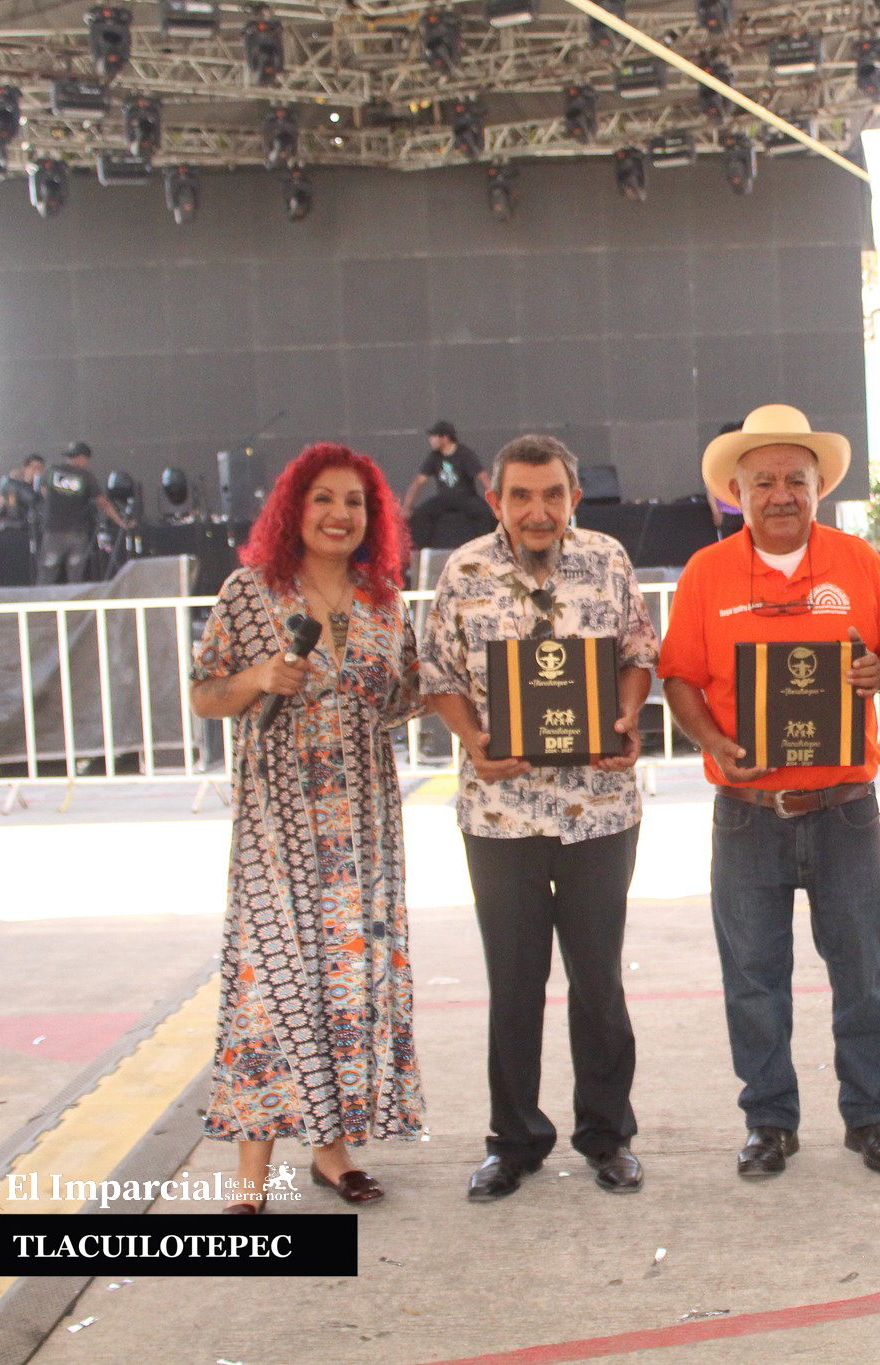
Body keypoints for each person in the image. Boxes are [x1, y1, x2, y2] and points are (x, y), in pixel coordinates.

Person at [659, 402, 880, 1179]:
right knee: (753, 980)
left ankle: (871, 1116)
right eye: (764, 481)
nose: (781, 494)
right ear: (736, 491)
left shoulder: (858, 562)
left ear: (818, 487)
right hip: (748, 814)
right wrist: (712, 742)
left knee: (862, 974)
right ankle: (769, 1122)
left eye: (795, 480)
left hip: (845, 808)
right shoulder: (706, 573)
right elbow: (679, 677)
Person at [188, 442, 426, 1212]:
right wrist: (259, 678)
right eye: (323, 498)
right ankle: (250, 1181)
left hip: (362, 826)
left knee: (345, 986)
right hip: (278, 824)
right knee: (270, 985)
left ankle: (333, 1153)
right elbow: (204, 694)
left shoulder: (385, 602)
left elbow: (406, 696)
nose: (339, 514)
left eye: (355, 502)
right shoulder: (250, 593)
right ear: (295, 507)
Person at [421, 435, 658, 1200]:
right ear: (496, 500)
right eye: (520, 495)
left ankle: (607, 1134)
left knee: (598, 982)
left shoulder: (608, 560)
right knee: (514, 984)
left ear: (573, 497)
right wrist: (473, 741)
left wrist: (626, 716)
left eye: (552, 494)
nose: (537, 510)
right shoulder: (464, 571)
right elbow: (438, 674)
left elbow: (638, 653)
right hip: (500, 814)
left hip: (600, 811)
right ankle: (514, 1139)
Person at [37, 443, 131, 585]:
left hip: (53, 530)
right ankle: (76, 599)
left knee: (48, 572)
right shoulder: (86, 477)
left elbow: (44, 491)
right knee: (75, 573)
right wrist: (121, 521)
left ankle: (42, 599)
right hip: (77, 532)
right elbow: (103, 503)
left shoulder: (53, 471)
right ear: (84, 459)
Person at [404, 419, 493, 551]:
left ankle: (486, 549)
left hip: (466, 497)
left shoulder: (465, 454)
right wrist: (406, 507)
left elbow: (483, 477)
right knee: (422, 514)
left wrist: (495, 504)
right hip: (444, 498)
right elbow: (418, 482)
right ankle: (419, 551)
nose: (430, 440)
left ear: (444, 438)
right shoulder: (434, 457)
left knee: (484, 514)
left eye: (433, 437)